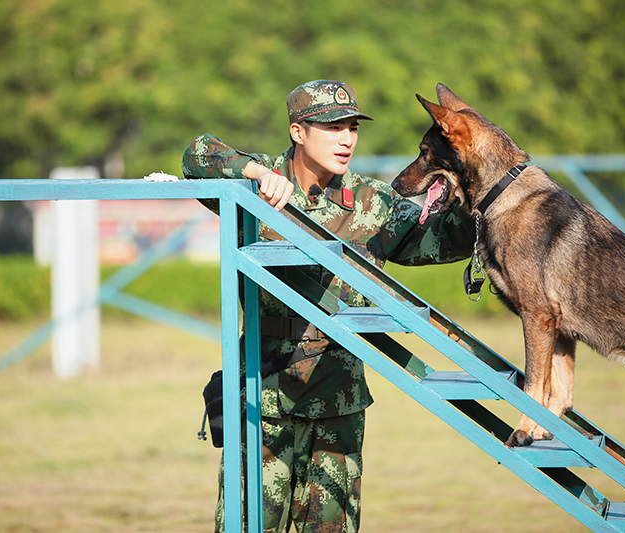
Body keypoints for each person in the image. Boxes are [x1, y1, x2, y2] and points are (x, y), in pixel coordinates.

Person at [181, 80, 474, 532]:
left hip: (337, 406)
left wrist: (474, 180)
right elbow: (196, 155)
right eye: (333, 127)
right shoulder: (253, 186)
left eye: (352, 127)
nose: (347, 139)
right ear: (298, 132)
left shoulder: (373, 202)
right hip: (264, 404)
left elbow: (442, 241)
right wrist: (256, 175)